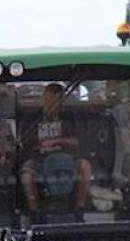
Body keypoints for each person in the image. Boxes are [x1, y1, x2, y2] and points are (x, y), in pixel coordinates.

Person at [19, 83, 92, 218]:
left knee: (85, 167)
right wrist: (37, 146)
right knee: (26, 177)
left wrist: (57, 141)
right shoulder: (33, 119)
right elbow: (24, 143)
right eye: (47, 100)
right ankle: (35, 213)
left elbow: (77, 142)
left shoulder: (70, 118)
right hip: (39, 161)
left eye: (55, 101)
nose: (50, 105)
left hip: (68, 160)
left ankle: (80, 208)